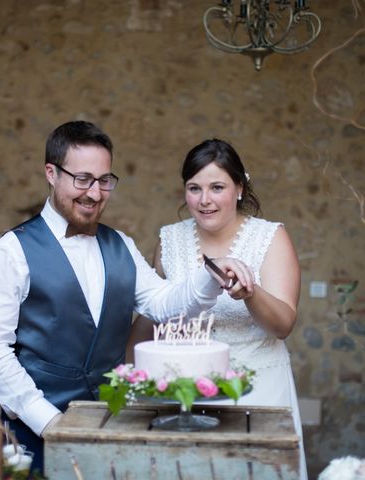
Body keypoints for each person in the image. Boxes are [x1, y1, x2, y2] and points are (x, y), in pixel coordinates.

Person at [0, 122, 253, 475]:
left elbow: (164, 304)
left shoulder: (121, 245)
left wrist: (213, 273)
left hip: (111, 426)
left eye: (105, 180)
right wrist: (47, 421)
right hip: (36, 434)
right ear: (51, 173)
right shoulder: (10, 252)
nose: (95, 192)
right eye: (82, 179)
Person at [132, 138, 307, 478]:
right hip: (187, 392)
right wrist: (134, 376)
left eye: (217, 187)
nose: (204, 199)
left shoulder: (270, 237)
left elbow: (283, 324)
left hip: (259, 389)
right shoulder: (169, 240)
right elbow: (156, 314)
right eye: (194, 188)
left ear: (239, 188)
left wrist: (250, 294)